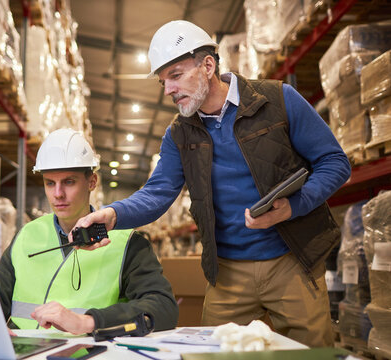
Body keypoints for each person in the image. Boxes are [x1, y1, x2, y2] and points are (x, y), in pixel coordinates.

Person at [73, 20, 351, 347]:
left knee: (309, 354)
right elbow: (158, 193)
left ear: (207, 65)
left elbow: (335, 163)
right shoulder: (179, 134)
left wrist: (293, 207)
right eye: (163, 82)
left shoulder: (277, 100)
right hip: (228, 273)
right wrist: (113, 215)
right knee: (213, 353)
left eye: (175, 76)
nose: (168, 90)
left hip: (292, 261)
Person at [0, 128, 178, 335]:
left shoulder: (128, 243)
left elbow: (163, 308)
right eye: (50, 183)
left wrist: (89, 321)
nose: (58, 194)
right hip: (23, 352)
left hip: (88, 353)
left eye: (69, 182)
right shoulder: (27, 234)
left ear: (92, 182)